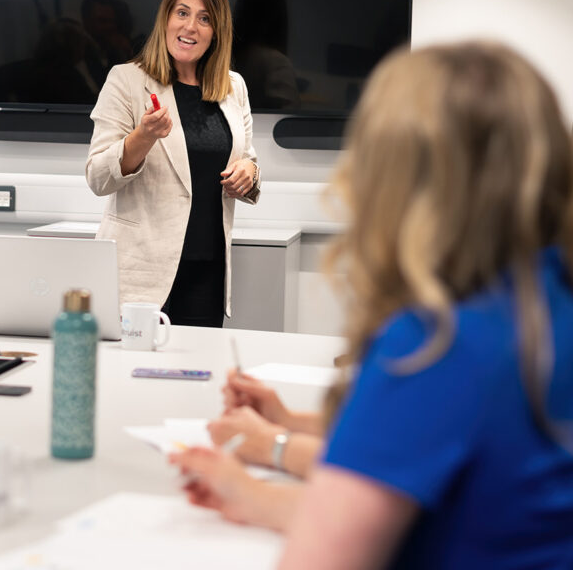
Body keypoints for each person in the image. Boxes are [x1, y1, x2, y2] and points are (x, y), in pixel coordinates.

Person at [171, 41, 573, 568]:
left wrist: (258, 461)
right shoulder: (544, 301)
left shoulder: (439, 345)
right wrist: (262, 468)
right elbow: (415, 496)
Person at [86, 0, 260, 327]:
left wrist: (250, 173)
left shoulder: (233, 87)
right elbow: (98, 177)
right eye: (182, 13)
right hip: (140, 276)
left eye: (205, 18)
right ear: (165, 18)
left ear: (217, 32)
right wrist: (143, 136)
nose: (190, 27)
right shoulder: (126, 80)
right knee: (131, 381)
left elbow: (248, 159)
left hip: (207, 272)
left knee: (198, 378)